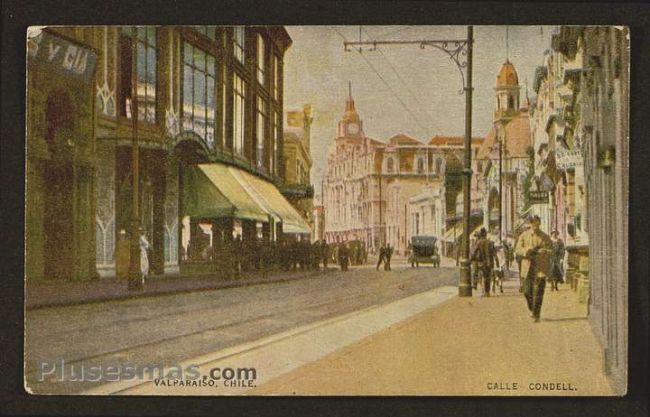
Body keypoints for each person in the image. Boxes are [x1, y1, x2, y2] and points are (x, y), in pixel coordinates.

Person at [514, 215, 553, 322]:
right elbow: (517, 249)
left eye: (536, 223)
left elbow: (551, 250)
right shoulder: (524, 235)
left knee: (539, 291)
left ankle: (536, 314)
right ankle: (532, 308)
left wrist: (544, 252)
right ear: (530, 224)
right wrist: (526, 250)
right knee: (527, 291)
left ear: (539, 223)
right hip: (527, 266)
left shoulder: (545, 237)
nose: (535, 226)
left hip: (540, 267)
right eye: (533, 224)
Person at [471, 228, 499, 296]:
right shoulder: (491, 243)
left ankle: (483, 291)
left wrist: (471, 259)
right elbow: (494, 253)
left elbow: (474, 252)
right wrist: (497, 262)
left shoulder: (479, 242)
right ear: (486, 235)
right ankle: (487, 292)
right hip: (489, 263)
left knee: (482, 277)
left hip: (481, 262)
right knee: (487, 277)